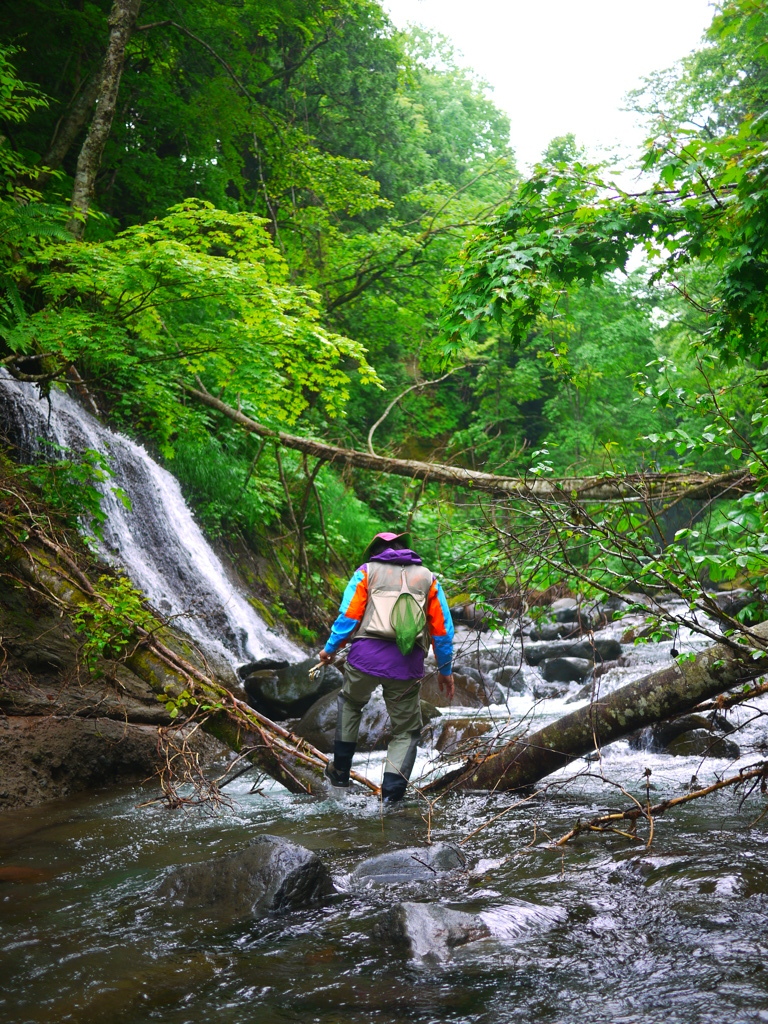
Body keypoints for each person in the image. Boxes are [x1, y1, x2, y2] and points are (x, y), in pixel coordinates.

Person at [318, 530, 455, 803]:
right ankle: (391, 798)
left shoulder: (367, 572)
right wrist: (445, 670)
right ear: (407, 549)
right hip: (406, 665)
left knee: (351, 703)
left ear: (376, 550)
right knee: (405, 731)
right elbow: (442, 630)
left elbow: (349, 614)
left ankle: (340, 773)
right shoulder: (428, 577)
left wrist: (330, 649)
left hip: (364, 658)